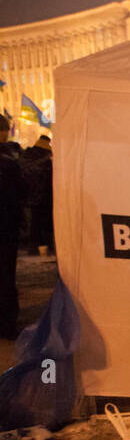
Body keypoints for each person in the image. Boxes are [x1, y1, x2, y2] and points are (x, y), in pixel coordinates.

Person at [0, 115, 25, 339]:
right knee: (5, 278)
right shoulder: (7, 163)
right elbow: (19, 194)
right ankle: (6, 326)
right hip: (5, 230)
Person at [19, 135, 53, 256]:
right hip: (41, 198)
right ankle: (40, 247)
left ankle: (32, 246)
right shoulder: (46, 160)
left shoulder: (24, 156)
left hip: (23, 197)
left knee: (33, 224)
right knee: (40, 223)